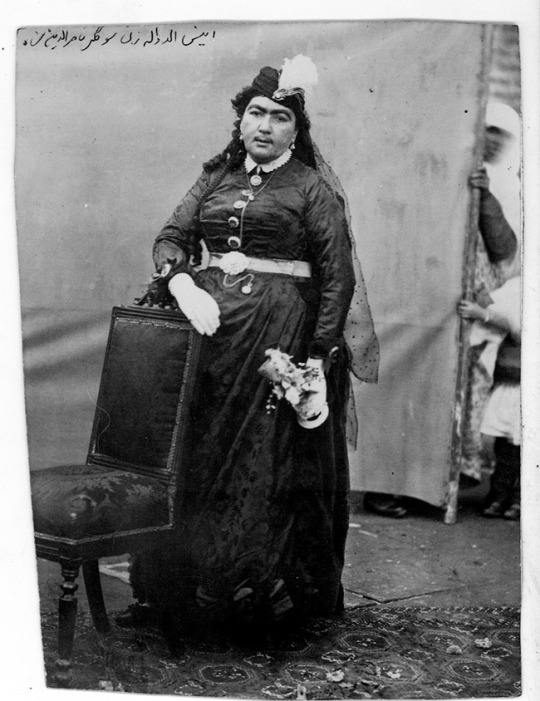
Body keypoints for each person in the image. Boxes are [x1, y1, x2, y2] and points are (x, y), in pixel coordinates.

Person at [118, 56, 379, 645]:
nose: (265, 126)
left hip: (276, 337)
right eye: (256, 113)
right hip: (208, 337)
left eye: (279, 118)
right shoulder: (216, 177)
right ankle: (182, 593)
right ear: (240, 120)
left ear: (296, 129)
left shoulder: (310, 188)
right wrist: (181, 283)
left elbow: (337, 278)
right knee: (199, 453)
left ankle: (252, 603)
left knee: (261, 460)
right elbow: (172, 236)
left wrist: (316, 358)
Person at [458, 273, 521, 520]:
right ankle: (498, 494)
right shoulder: (517, 284)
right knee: (506, 442)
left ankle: (519, 499)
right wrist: (482, 304)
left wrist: (483, 314)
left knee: (526, 445)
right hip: (513, 379)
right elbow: (500, 306)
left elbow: (520, 328)